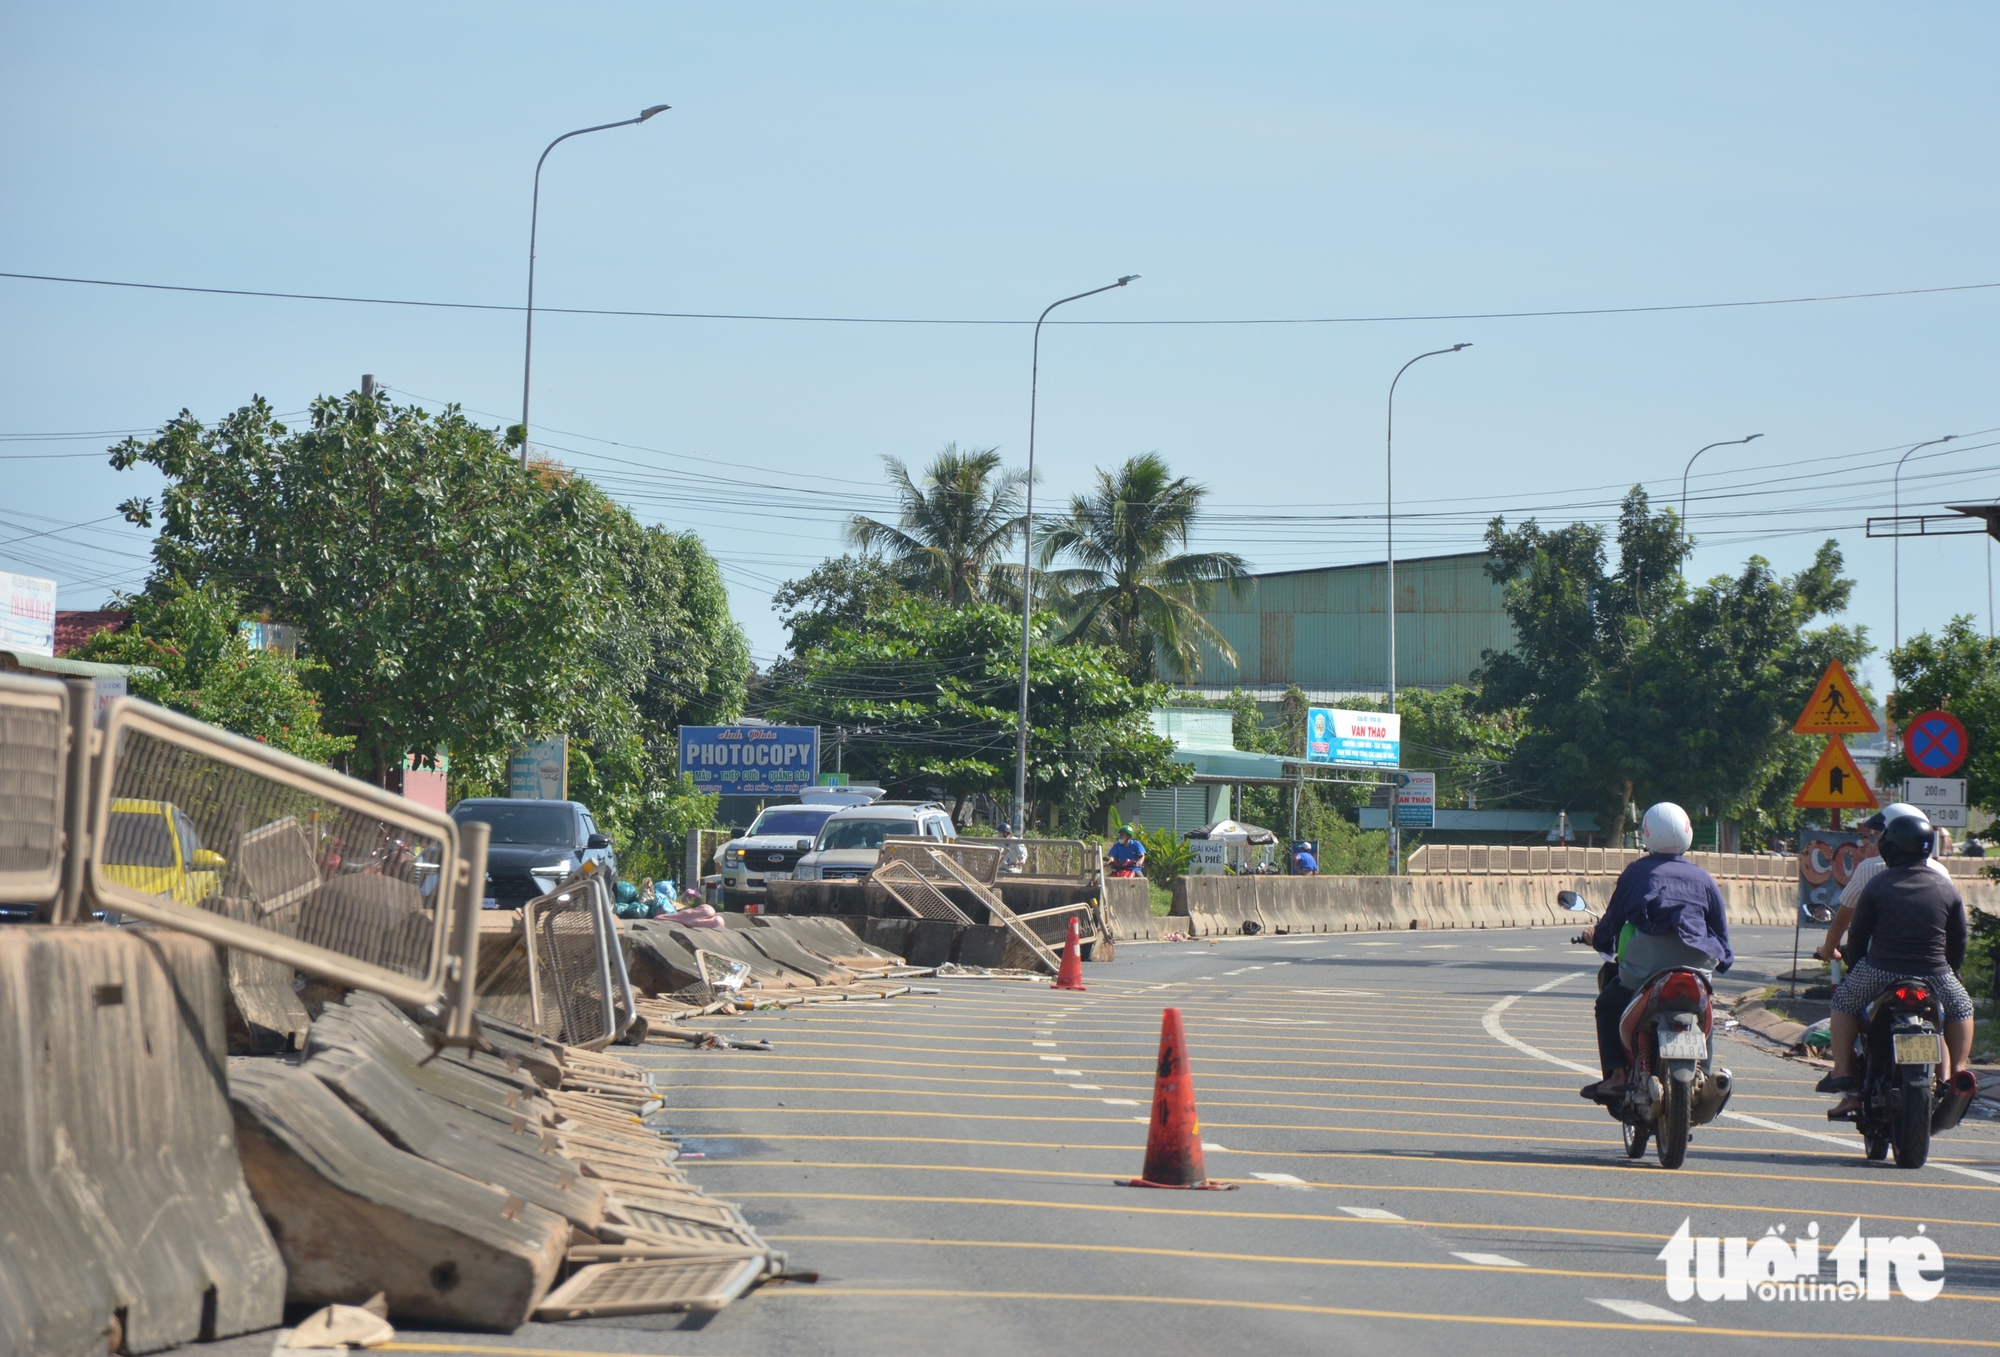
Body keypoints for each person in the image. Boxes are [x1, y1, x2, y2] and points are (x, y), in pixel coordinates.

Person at [1818, 812, 1974, 1113]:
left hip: (1881, 970)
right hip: (1934, 973)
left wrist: (1855, 969)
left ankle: (1842, 1070)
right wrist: (1951, 972)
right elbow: (1959, 940)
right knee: (1962, 1007)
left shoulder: (1877, 884)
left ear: (1891, 848)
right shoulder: (1945, 886)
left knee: (1844, 1003)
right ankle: (1958, 1071)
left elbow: (1859, 937)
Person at [1577, 802, 1733, 1100]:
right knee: (1703, 1009)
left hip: (1644, 971)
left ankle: (1617, 1075)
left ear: (1646, 834)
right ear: (1686, 832)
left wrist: (1597, 940)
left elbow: (1610, 926)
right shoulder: (1705, 879)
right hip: (1696, 970)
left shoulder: (1635, 873)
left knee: (1607, 1007)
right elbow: (1722, 940)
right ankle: (1703, 1075)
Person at [1815, 804, 1946, 966]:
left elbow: (1848, 924)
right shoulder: (1941, 873)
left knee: (1845, 992)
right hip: (1932, 970)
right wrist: (1953, 971)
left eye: (1878, 836)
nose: (1876, 843)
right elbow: (1957, 934)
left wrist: (1829, 951)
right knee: (1959, 993)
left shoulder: (1869, 869)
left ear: (1891, 839)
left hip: (1883, 968)